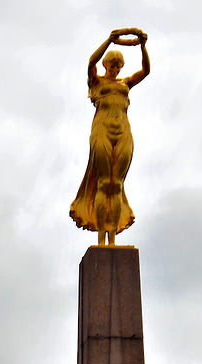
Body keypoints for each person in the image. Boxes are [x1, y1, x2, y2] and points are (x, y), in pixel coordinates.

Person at [69, 29, 150, 246]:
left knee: (117, 185)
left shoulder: (125, 84)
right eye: (112, 64)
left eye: (118, 65)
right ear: (106, 65)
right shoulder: (97, 83)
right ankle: (101, 241)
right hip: (102, 131)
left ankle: (112, 241)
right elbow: (90, 63)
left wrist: (142, 45)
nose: (115, 68)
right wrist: (109, 41)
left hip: (123, 132)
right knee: (104, 183)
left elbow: (146, 71)